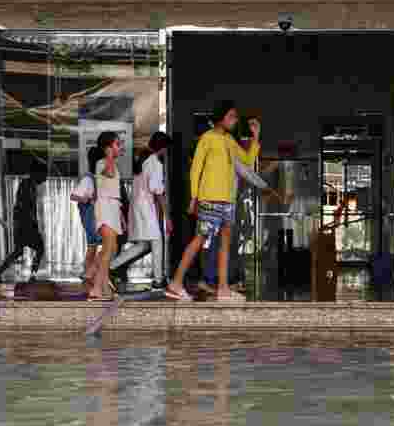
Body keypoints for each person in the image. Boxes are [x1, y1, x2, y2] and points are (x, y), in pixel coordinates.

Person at [165, 100, 260, 302]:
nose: (234, 121)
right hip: (210, 199)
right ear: (221, 117)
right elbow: (196, 169)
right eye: (231, 116)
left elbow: (247, 162)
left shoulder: (230, 141)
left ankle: (223, 289)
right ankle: (176, 283)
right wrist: (194, 198)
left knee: (225, 244)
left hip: (228, 201)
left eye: (235, 117)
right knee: (199, 240)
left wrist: (255, 138)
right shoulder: (207, 138)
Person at [109, 132, 173, 290]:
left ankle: (110, 267)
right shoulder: (155, 164)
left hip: (137, 206)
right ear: (163, 148)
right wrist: (167, 217)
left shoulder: (142, 159)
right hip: (146, 207)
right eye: (166, 149)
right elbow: (157, 191)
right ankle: (158, 280)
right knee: (156, 241)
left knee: (145, 245)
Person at [71, 131, 125, 300]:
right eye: (117, 144)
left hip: (113, 207)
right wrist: (109, 155)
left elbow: (113, 188)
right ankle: (96, 288)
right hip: (106, 208)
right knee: (108, 249)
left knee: (111, 249)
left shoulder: (111, 164)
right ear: (108, 148)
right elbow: (108, 174)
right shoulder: (102, 163)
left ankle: (101, 287)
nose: (120, 147)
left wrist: (121, 217)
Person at [0, 159, 47, 283]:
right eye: (44, 173)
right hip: (25, 225)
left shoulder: (29, 184)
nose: (45, 177)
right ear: (36, 173)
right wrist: (32, 223)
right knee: (39, 247)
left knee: (18, 251)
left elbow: (23, 207)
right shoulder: (27, 185)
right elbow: (23, 206)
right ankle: (32, 275)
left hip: (23, 224)